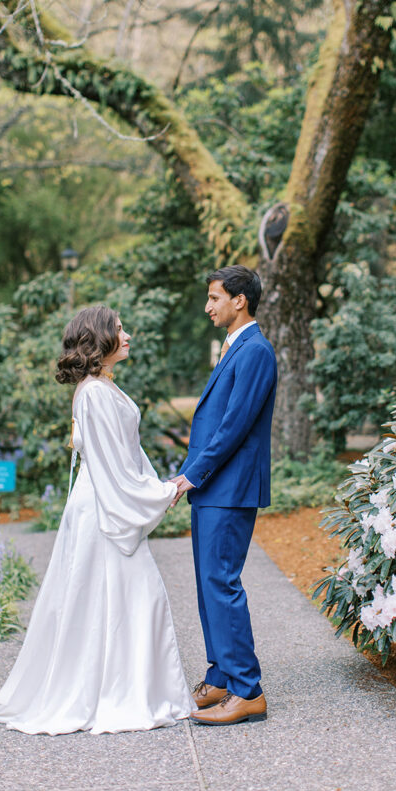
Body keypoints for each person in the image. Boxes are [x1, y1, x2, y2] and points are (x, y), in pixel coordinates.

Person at [0, 305, 194, 735]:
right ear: (100, 339)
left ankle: (125, 689)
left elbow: (127, 455)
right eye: (119, 329)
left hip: (105, 498)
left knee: (113, 601)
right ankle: (115, 694)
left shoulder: (104, 387)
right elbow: (111, 463)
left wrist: (156, 485)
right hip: (101, 508)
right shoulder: (94, 393)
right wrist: (162, 491)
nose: (128, 335)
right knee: (119, 598)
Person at [172, 266, 277, 726]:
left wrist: (192, 474)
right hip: (216, 488)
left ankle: (247, 689)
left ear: (241, 301)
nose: (208, 306)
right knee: (208, 582)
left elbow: (233, 425)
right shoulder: (235, 348)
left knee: (222, 582)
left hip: (229, 488)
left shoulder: (255, 351)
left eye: (215, 298)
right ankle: (219, 676)